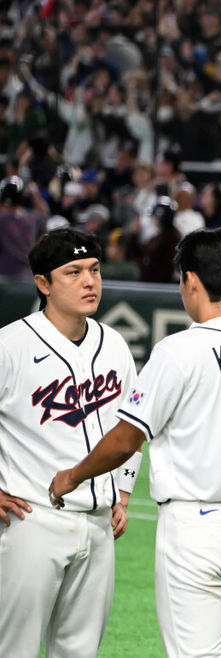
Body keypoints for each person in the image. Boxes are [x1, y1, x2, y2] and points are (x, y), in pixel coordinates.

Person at [49, 228, 221, 657]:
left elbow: (125, 439)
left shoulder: (179, 350)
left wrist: (73, 476)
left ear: (191, 280)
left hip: (197, 526)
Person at [0, 228, 137, 657]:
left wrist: (125, 491)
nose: (89, 281)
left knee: (80, 651)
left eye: (94, 270)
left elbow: (131, 427)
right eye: (73, 271)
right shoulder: (10, 345)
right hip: (31, 520)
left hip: (98, 526)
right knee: (15, 648)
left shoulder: (113, 343)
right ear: (43, 283)